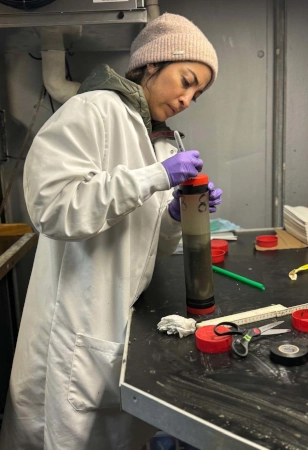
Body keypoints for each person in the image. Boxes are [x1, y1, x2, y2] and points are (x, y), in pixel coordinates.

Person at [0, 12, 222, 450]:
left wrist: (176, 214)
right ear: (153, 63)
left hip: (113, 325)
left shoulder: (162, 140)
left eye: (197, 93)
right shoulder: (93, 110)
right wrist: (153, 178)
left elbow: (150, 242)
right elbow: (52, 207)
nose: (187, 100)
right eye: (186, 80)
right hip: (72, 329)